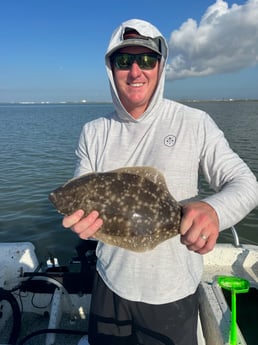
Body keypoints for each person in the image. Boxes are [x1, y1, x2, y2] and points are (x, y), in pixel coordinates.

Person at [63, 19, 258, 345]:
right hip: (109, 283)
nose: (136, 71)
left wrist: (213, 210)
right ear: (111, 68)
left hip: (173, 293)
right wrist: (78, 211)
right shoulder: (93, 132)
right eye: (124, 60)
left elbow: (245, 183)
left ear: (161, 65)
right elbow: (81, 182)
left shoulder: (194, 123)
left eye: (147, 60)